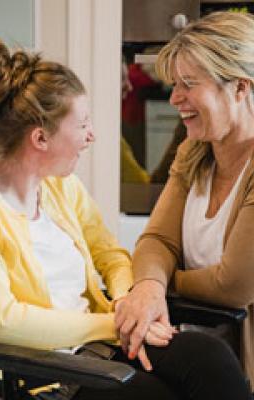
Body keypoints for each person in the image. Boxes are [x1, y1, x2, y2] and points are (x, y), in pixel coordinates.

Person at [0, 37, 251, 399]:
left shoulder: (62, 188)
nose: (92, 136)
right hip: (35, 370)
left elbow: (111, 255)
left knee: (206, 357)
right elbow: (2, 321)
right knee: (155, 395)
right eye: (83, 124)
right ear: (41, 138)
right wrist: (111, 323)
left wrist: (126, 302)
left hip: (97, 349)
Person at [115, 10, 254, 392]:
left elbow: (234, 284)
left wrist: (156, 286)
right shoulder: (194, 151)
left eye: (189, 84)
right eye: (175, 84)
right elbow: (157, 240)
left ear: (241, 87)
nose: (175, 98)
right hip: (201, 349)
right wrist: (147, 288)